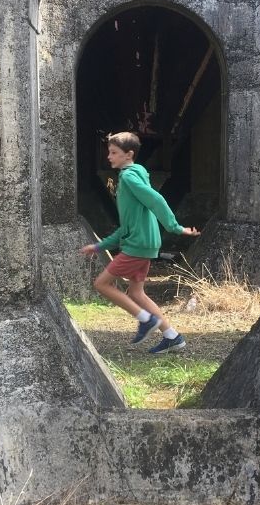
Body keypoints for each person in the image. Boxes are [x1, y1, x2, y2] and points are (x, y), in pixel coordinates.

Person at [79, 132, 200, 354]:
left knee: (102, 284)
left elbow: (156, 199)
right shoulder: (133, 176)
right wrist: (98, 246)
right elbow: (125, 227)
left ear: (129, 155)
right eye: (109, 152)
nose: (109, 157)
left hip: (138, 245)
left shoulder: (129, 178)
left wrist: (175, 227)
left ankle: (146, 320)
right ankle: (173, 337)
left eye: (114, 153)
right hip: (143, 243)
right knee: (136, 293)